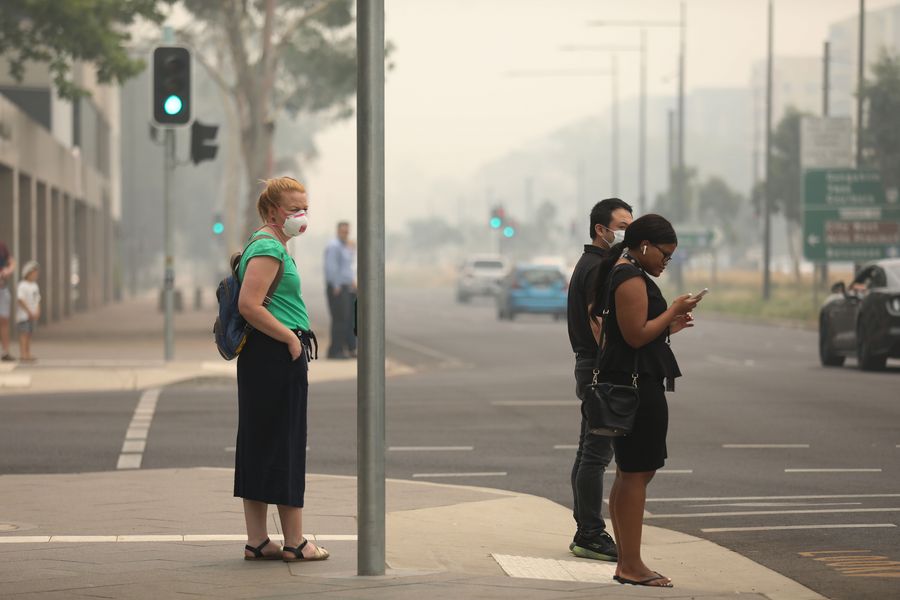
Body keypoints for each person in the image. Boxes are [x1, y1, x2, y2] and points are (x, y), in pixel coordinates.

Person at [591, 214, 700, 588]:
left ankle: (627, 562)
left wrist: (670, 325)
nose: (665, 262)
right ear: (644, 246)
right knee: (636, 473)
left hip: (629, 382)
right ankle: (632, 565)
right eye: (664, 255)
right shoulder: (630, 277)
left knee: (630, 473)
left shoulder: (622, 271)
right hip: (637, 389)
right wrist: (671, 309)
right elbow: (636, 336)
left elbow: (624, 335)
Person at [234, 176, 328, 563]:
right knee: (285, 445)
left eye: (304, 208)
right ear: (273, 211)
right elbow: (249, 305)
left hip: (263, 356)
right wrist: (290, 339)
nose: (301, 215)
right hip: (274, 355)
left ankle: (258, 541)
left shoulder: (266, 244)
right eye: (293, 209)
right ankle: (296, 542)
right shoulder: (270, 248)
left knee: (259, 444)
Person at [567, 198, 633, 562]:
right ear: (601, 230)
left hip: (589, 366)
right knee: (595, 455)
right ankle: (590, 533)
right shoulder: (597, 268)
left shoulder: (590, 264)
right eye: (622, 227)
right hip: (599, 369)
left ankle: (585, 530)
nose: (627, 235)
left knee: (587, 453)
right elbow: (600, 326)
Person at [323, 221, 357, 359]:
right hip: (338, 288)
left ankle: (349, 348)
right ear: (338, 231)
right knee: (339, 320)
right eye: (343, 231)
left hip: (347, 288)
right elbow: (331, 267)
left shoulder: (346, 246)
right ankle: (335, 351)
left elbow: (348, 267)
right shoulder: (334, 246)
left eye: (347, 231)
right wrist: (336, 286)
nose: (346, 234)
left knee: (348, 320)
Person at [16, 260, 40, 363]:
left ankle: (28, 353)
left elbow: (38, 299)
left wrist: (37, 311)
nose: (35, 275)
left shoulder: (35, 286)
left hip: (32, 315)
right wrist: (29, 311)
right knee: (24, 334)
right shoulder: (22, 285)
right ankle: (23, 354)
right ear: (27, 273)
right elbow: (20, 300)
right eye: (33, 273)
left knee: (29, 334)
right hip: (23, 316)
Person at [0, 240, 15, 361]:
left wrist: (8, 270)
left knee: (4, 320)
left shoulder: (2, 245)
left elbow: (11, 261)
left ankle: (5, 351)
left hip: (2, 288)